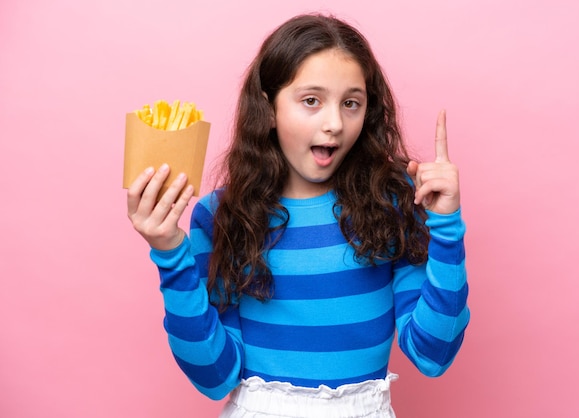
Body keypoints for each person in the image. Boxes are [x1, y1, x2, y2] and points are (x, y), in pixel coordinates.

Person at [127, 13, 469, 418]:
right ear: (268, 108)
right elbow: (213, 375)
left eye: (351, 103)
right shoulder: (220, 216)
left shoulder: (393, 204)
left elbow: (434, 352)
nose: (334, 124)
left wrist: (446, 227)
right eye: (311, 101)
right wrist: (169, 254)